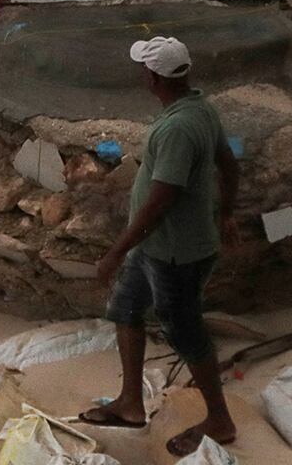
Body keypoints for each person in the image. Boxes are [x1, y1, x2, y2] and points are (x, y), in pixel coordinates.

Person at [80, 36, 239, 456]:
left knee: (186, 333)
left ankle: (220, 419)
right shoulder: (200, 109)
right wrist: (226, 213)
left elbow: (161, 200)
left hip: (176, 253)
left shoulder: (177, 129)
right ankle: (131, 403)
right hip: (156, 249)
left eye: (143, 70)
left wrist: (114, 252)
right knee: (127, 310)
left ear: (152, 78)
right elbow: (228, 163)